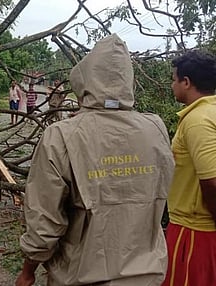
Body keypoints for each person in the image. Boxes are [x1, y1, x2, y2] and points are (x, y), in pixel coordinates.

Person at [16, 34, 174, 286]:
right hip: (148, 276)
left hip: (80, 276)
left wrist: (28, 271)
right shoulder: (155, 128)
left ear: (85, 79)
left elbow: (44, 221)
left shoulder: (61, 135)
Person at [162, 51, 216, 286]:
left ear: (186, 82)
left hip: (194, 231)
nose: (172, 85)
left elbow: (212, 181)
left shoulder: (197, 121)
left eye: (174, 79)